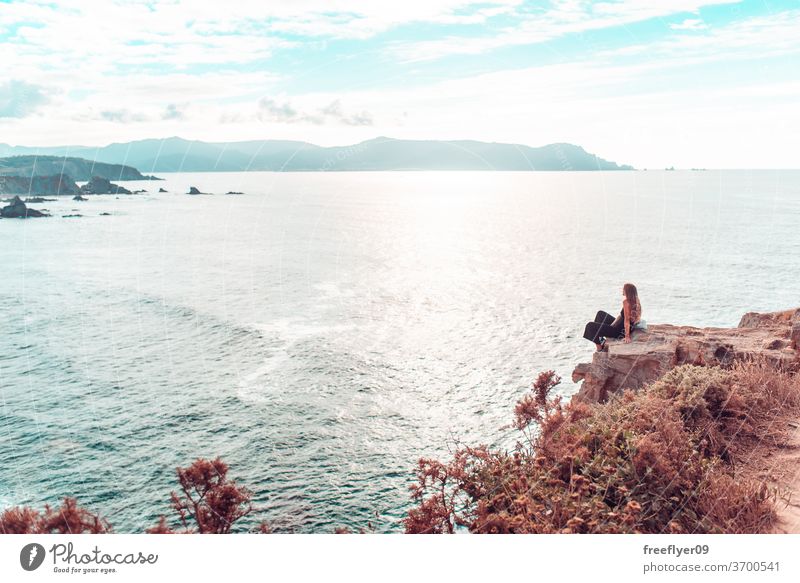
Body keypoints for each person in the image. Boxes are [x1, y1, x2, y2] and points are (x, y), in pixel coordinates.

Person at [583, 283, 642, 351]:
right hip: (622, 327)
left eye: (623, 289)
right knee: (600, 314)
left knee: (589, 326)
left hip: (620, 331)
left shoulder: (626, 302)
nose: (622, 290)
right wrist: (611, 325)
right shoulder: (636, 300)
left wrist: (627, 336)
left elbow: (627, 320)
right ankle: (600, 338)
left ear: (627, 291)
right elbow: (628, 318)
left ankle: (600, 346)